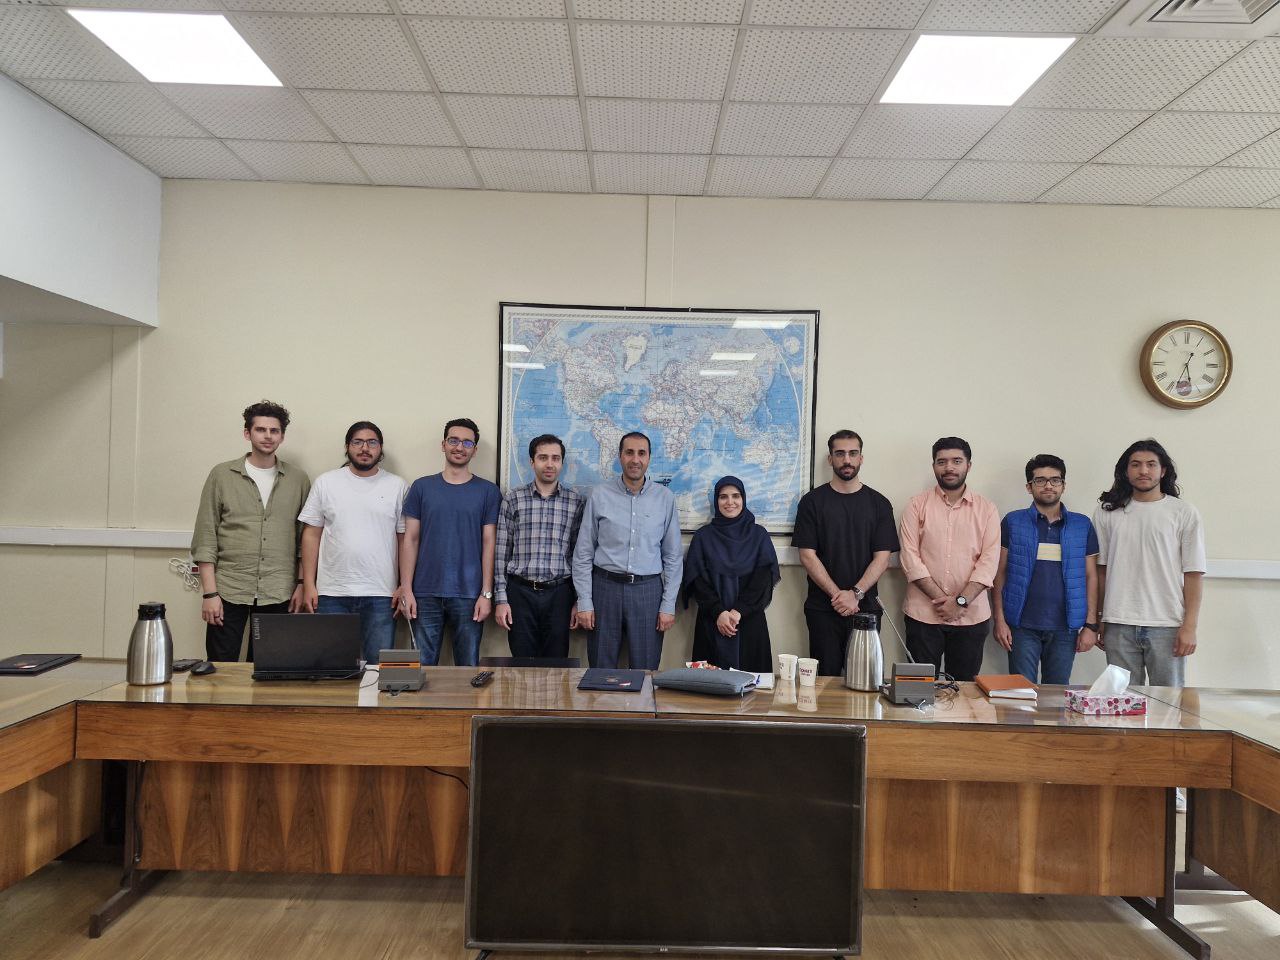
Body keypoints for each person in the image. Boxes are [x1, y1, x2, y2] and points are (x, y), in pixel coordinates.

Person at [192, 400, 310, 662]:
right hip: (228, 588)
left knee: (267, 668)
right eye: (260, 429)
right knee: (221, 668)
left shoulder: (298, 479)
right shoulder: (222, 475)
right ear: (247, 433)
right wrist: (210, 594)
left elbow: (304, 539)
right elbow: (205, 536)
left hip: (278, 590)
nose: (268, 436)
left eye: (274, 431)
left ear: (282, 436)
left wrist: (302, 584)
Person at [1093, 439, 1205, 688]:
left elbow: (1194, 574)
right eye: (1136, 464)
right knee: (1122, 701)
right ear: (1125, 470)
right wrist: (1099, 617)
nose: (1143, 471)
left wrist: (1189, 626)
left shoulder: (1183, 512)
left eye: (1151, 464)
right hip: (1118, 621)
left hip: (1167, 624)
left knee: (1169, 702)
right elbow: (1101, 571)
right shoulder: (1107, 512)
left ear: (1163, 470)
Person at [297, 421, 407, 664]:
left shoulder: (397, 486)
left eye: (372, 442)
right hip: (331, 593)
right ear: (347, 446)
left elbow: (403, 539)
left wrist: (403, 585)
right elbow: (311, 535)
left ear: (380, 448)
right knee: (331, 668)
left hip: (381, 594)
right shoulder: (326, 482)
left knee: (377, 669)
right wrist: (308, 585)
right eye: (358, 442)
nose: (365, 448)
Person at [572, 431, 682, 670]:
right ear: (620, 456)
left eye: (641, 453)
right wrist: (585, 601)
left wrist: (668, 605)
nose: (635, 459)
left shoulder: (665, 498)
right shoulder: (599, 495)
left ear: (649, 458)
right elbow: (583, 553)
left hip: (648, 591)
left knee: (646, 670)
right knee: (600, 669)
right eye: (629, 453)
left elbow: (673, 557)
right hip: (604, 589)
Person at [792, 430, 899, 676]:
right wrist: (839, 596)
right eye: (840, 454)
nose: (847, 460)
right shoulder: (811, 502)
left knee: (863, 683)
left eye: (853, 453)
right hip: (823, 610)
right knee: (824, 685)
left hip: (866, 610)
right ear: (830, 459)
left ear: (861, 458)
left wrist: (856, 594)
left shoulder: (879, 504)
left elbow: (883, 558)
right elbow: (807, 555)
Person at [399, 418, 500, 666]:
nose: (459, 447)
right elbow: (410, 539)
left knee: (468, 670)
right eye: (453, 440)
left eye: (467, 442)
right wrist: (406, 589)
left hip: (469, 595)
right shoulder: (421, 487)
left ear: (475, 450)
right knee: (421, 669)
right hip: (424, 593)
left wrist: (486, 594)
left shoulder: (488, 491)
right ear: (443, 444)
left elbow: (489, 543)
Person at [992, 454, 1100, 685]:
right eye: (1040, 480)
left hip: (1065, 627)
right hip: (1021, 625)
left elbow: (1091, 576)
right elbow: (999, 573)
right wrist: (999, 620)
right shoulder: (1013, 522)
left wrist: (1091, 625)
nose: (1048, 485)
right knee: (1021, 694)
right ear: (1029, 487)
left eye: (1055, 480)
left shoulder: (1082, 525)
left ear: (1063, 485)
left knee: (1057, 695)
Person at [898, 437, 999, 682]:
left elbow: (988, 563)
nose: (949, 468)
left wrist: (961, 602)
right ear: (934, 466)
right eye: (941, 462)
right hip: (923, 615)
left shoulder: (987, 509)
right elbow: (910, 557)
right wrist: (944, 602)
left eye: (956, 461)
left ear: (968, 465)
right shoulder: (916, 505)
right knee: (919, 690)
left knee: (963, 690)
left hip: (971, 617)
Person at [494, 434, 585, 659]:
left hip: (560, 594)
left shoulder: (575, 502)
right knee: (522, 662)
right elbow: (501, 553)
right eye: (543, 457)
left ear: (562, 462)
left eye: (555, 458)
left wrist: (578, 600)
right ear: (532, 462)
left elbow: (579, 555)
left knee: (557, 662)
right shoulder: (513, 499)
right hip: (520, 593)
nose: (549, 464)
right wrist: (501, 599)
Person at [682, 476, 780, 672]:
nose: (730, 502)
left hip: (748, 621)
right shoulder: (703, 537)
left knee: (753, 684)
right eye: (723, 497)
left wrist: (737, 612)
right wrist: (719, 612)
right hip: (711, 621)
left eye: (736, 496)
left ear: (743, 499)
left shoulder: (758, 535)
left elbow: (762, 580)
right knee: (710, 685)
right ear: (716, 501)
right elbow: (697, 582)